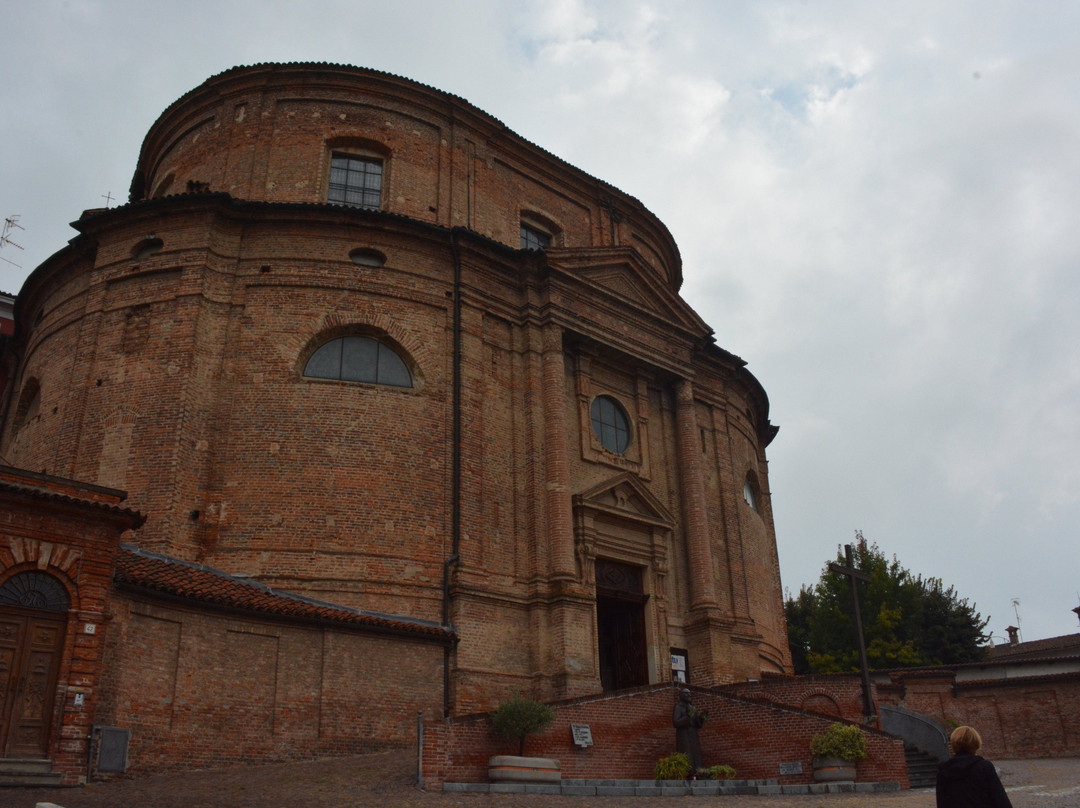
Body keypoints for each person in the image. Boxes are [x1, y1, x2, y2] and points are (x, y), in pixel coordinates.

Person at [936, 725, 1012, 808]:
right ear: (976, 743)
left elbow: (942, 802)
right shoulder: (984, 767)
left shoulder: (944, 770)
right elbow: (1000, 798)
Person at [672, 688, 707, 771]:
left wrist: (702, 718)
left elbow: (697, 724)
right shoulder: (678, 707)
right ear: (681, 696)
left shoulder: (692, 708)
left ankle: (698, 771)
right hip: (684, 735)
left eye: (689, 693)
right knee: (687, 753)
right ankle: (688, 771)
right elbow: (675, 722)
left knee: (696, 753)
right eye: (686, 694)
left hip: (693, 735)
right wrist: (687, 718)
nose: (689, 695)